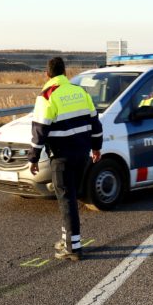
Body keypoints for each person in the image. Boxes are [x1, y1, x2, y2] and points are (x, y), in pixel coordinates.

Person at [28, 57, 102, 261]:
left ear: (47, 74)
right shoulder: (81, 92)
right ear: (65, 73)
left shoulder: (47, 96)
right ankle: (68, 241)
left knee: (66, 201)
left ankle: (73, 248)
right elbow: (95, 123)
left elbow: (40, 131)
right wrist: (97, 148)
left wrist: (33, 158)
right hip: (82, 155)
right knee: (70, 199)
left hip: (62, 157)